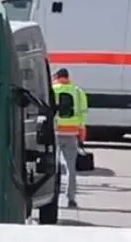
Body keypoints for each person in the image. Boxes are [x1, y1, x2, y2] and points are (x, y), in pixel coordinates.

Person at [51, 68, 89, 209]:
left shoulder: (52, 90)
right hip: (72, 135)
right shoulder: (78, 92)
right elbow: (83, 116)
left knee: (53, 168)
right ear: (68, 77)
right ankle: (71, 198)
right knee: (71, 168)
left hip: (55, 133)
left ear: (58, 77)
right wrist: (82, 137)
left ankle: (52, 197)